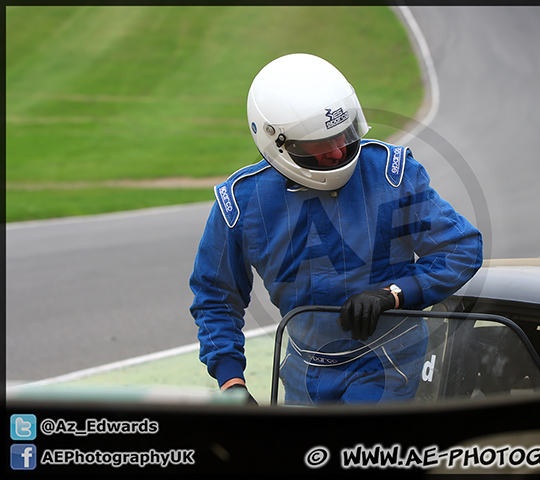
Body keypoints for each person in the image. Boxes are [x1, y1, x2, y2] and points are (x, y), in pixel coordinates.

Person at [189, 53, 483, 405]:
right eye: (320, 145)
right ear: (278, 142)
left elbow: (462, 248)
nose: (337, 152)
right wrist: (231, 384)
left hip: (392, 361)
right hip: (304, 370)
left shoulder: (392, 173)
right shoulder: (240, 205)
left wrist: (393, 294)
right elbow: (216, 298)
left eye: (343, 135)